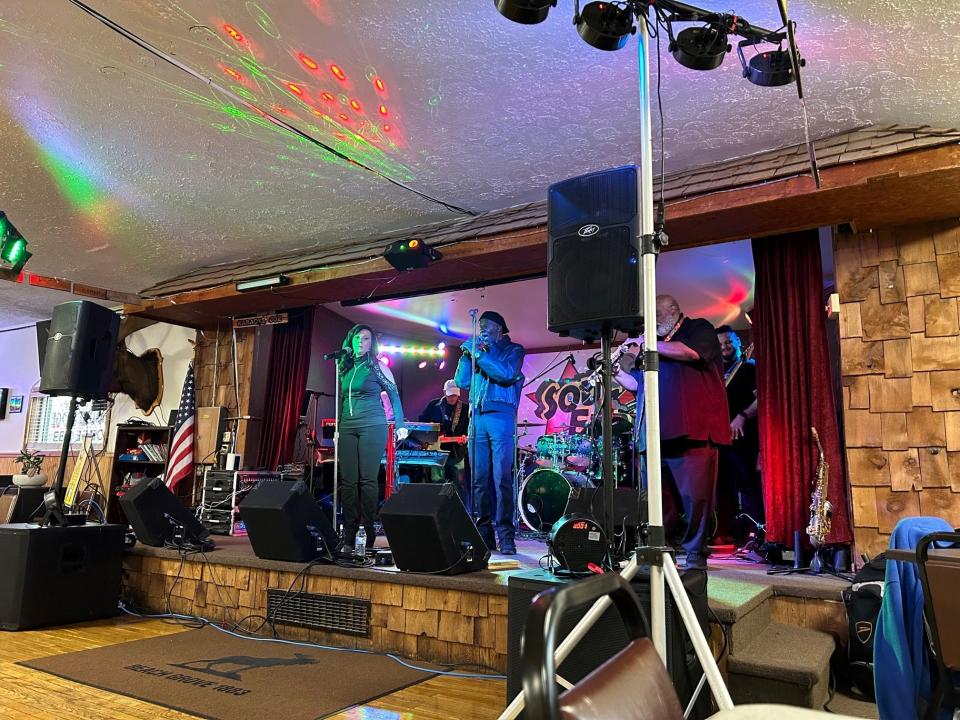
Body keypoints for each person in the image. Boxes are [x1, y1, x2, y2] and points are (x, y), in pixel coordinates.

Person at [614, 295, 730, 569]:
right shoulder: (654, 347)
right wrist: (615, 371)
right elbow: (637, 385)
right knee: (656, 501)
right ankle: (660, 554)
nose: (649, 324)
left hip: (693, 433)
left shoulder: (698, 329)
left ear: (674, 311)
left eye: (655, 316)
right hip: (654, 436)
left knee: (696, 499)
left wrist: (647, 344)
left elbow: (692, 353)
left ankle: (695, 557)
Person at [455, 311, 525, 555]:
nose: (482, 330)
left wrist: (479, 353)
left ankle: (506, 535)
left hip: (501, 417)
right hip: (478, 418)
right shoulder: (479, 352)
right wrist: (466, 356)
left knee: (501, 477)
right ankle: (484, 534)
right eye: (480, 326)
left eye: (486, 326)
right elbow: (462, 382)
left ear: (499, 328)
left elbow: (505, 374)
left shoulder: (514, 350)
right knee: (478, 479)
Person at [337, 324, 407, 553]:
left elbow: (395, 396)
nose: (360, 342)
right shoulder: (344, 365)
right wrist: (338, 428)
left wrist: (400, 424)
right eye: (357, 338)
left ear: (371, 343)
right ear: (351, 340)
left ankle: (366, 531)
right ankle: (348, 533)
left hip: (372, 425)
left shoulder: (377, 366)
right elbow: (342, 400)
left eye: (366, 339)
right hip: (348, 427)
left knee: (367, 480)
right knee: (348, 481)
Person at [715, 325, 763, 545]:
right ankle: (726, 532)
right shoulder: (715, 372)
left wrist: (742, 416)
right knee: (721, 487)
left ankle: (756, 532)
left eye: (728, 342)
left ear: (737, 342)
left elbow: (760, 398)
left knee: (747, 484)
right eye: (720, 343)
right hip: (719, 438)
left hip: (743, 437)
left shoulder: (748, 367)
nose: (724, 346)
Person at [420, 379, 470, 488]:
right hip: (435, 450)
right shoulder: (433, 405)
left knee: (455, 481)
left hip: (455, 452)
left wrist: (465, 436)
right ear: (444, 392)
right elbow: (421, 422)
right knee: (437, 480)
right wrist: (430, 431)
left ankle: (456, 503)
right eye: (450, 395)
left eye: (455, 395)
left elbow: (470, 427)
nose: (453, 398)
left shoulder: (465, 409)